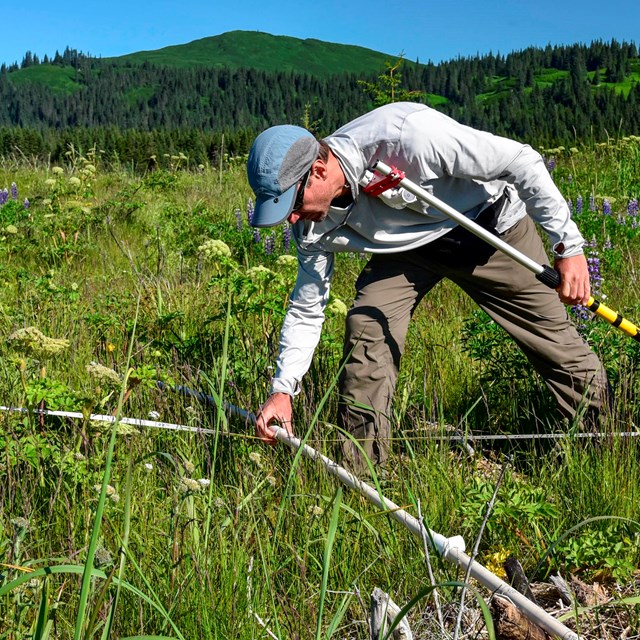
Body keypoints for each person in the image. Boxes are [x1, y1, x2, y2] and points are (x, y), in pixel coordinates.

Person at [246, 101, 609, 474]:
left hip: (489, 231)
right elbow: (307, 306)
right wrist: (283, 389)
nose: (290, 217)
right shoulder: (308, 225)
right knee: (366, 329)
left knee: (555, 343)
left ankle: (604, 444)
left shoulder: (409, 134)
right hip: (405, 252)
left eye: (292, 203)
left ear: (319, 170)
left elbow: (521, 160)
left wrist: (568, 247)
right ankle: (362, 474)